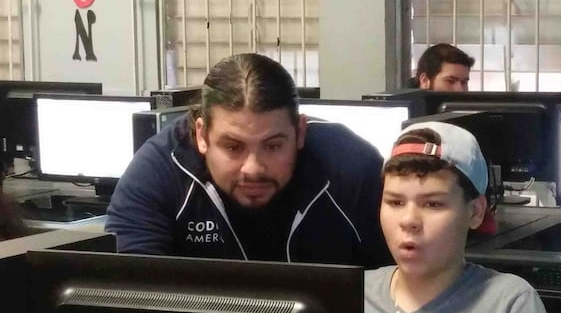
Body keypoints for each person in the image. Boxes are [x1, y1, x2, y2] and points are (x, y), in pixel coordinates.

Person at [106, 53, 391, 267]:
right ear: (202, 134)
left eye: (273, 146)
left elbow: (403, 285)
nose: (253, 168)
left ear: (300, 132)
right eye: (233, 147)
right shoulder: (158, 172)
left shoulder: (350, 167)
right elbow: (129, 295)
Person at [364, 121, 551, 313]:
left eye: (433, 204)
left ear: (475, 212)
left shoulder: (509, 303)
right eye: (395, 203)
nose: (408, 221)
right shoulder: (353, 295)